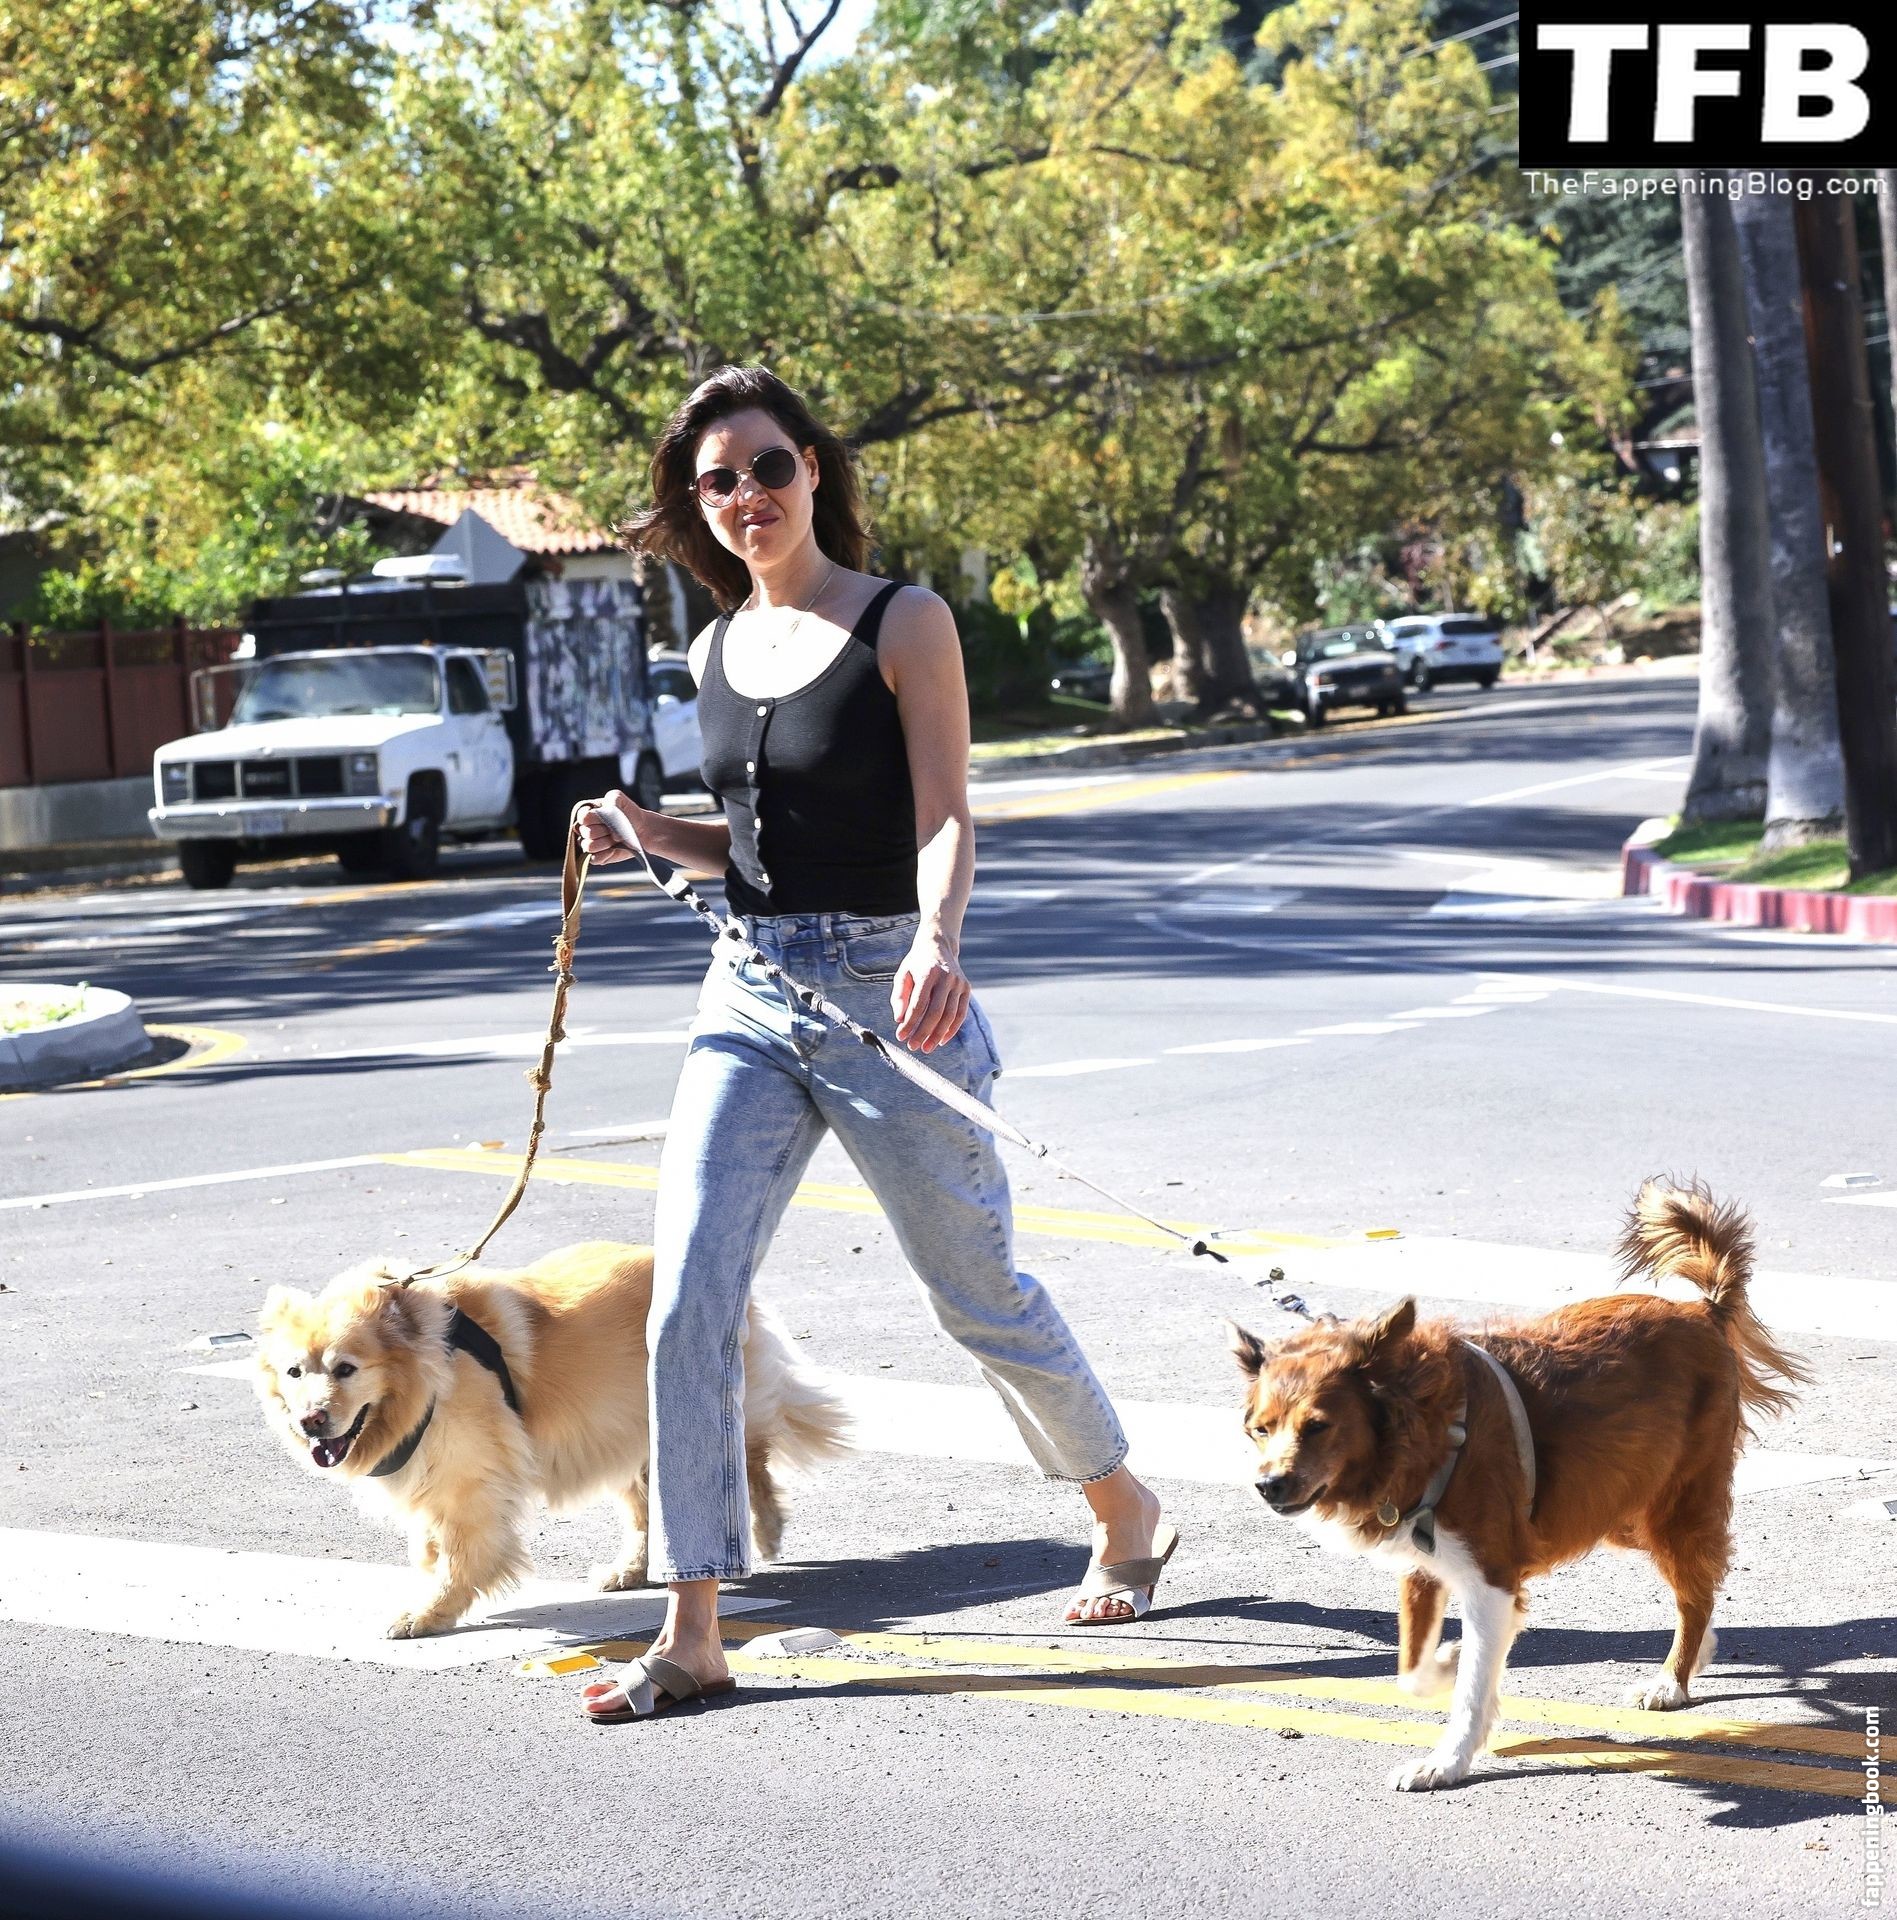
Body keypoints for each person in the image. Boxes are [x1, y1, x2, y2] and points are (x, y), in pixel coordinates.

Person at [575, 365, 1177, 1725]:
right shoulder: (714, 649)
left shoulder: (903, 620)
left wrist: (936, 939)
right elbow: (751, 847)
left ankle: (1123, 1505)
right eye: (716, 481)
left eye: (767, 467)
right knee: (687, 1298)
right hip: (746, 993)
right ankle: (693, 1629)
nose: (746, 496)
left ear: (813, 470)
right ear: (696, 504)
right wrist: (646, 830)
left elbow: (943, 811)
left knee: (976, 1292)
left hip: (889, 992)